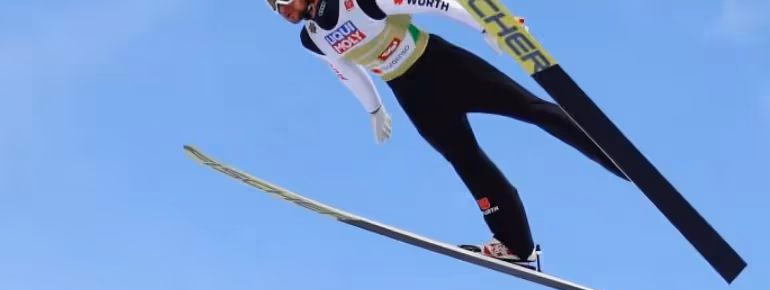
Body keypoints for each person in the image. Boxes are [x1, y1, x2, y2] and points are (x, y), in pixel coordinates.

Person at [264, 0, 626, 269]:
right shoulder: (312, 39)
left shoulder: (358, 2)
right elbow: (347, 72)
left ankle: (618, 159)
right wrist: (374, 110)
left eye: (282, 2)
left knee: (530, 109)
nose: (282, 11)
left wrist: (488, 26)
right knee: (467, 162)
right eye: (274, 8)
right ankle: (517, 246)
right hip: (410, 94)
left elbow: (436, 3)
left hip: (442, 65)